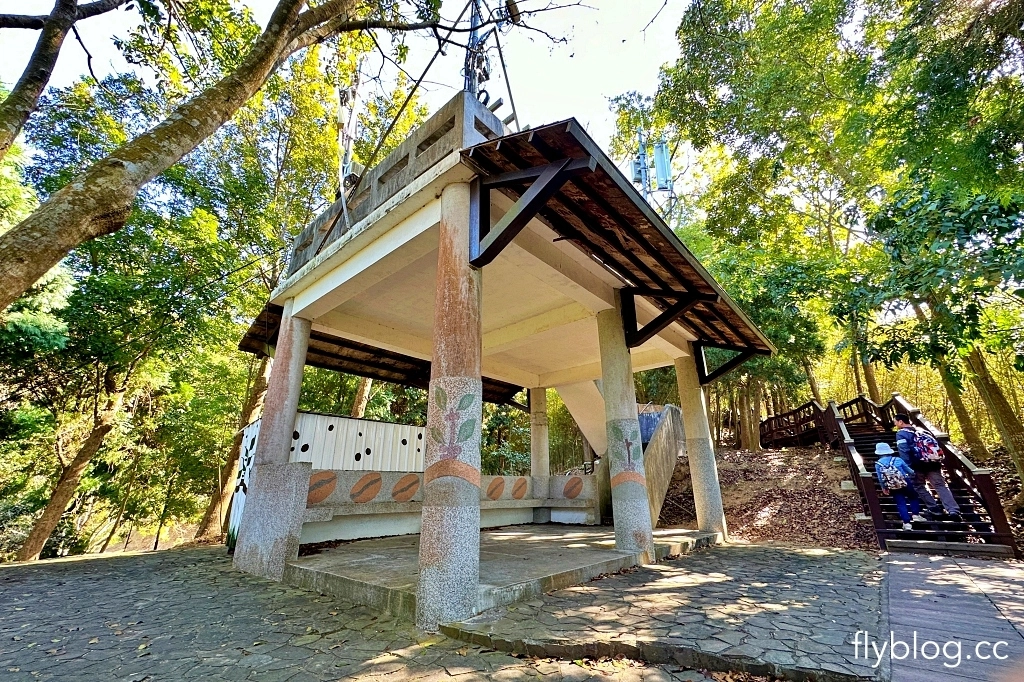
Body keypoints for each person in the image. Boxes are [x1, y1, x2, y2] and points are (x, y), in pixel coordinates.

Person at [893, 413, 962, 521]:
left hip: (916, 465)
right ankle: (953, 510)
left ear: (901, 422)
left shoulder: (901, 434)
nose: (895, 424)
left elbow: (904, 451)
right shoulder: (922, 430)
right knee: (940, 486)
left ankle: (934, 509)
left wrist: (906, 468)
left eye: (895, 422)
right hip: (933, 463)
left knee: (919, 486)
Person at [874, 442, 925, 531]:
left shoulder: (878, 464)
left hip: (892, 485)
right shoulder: (897, 459)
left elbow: (880, 478)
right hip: (905, 481)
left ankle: (907, 523)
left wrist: (884, 487)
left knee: (901, 503)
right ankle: (915, 515)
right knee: (913, 497)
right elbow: (909, 470)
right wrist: (914, 474)